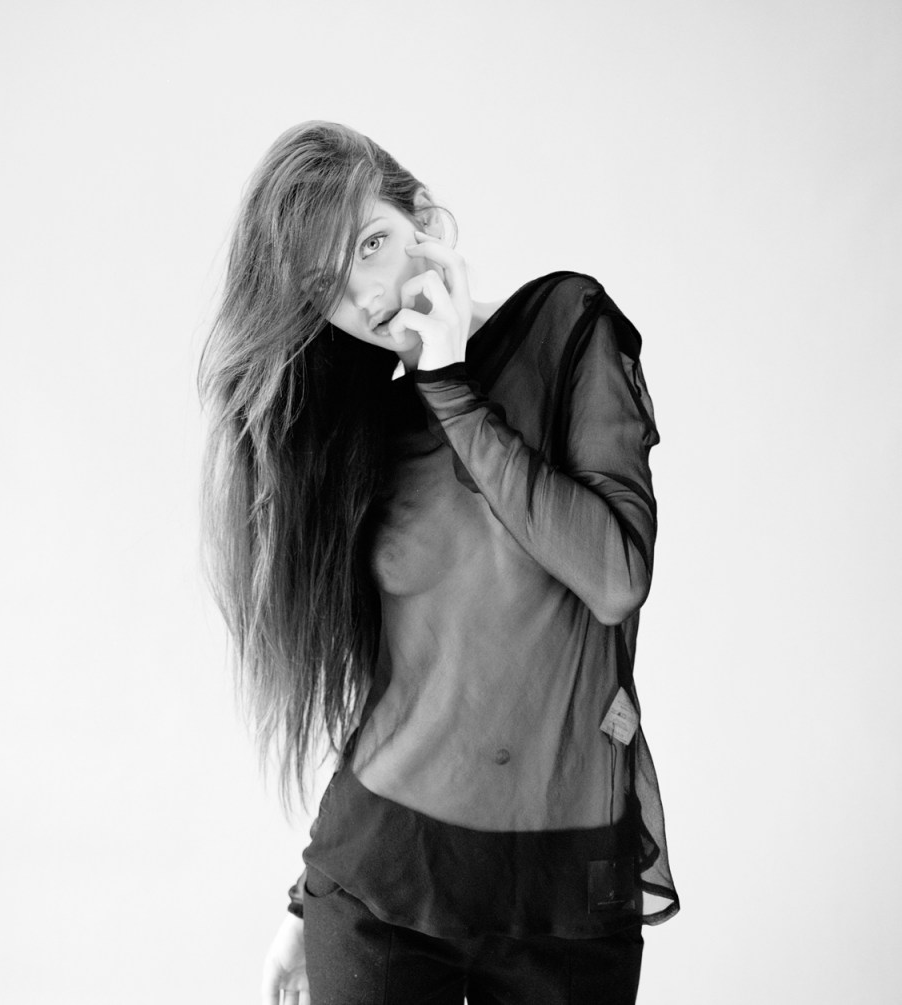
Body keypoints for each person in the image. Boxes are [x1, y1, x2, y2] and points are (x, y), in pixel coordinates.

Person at [199, 120, 679, 1005]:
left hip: (564, 900)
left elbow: (615, 576)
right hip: (380, 884)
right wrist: (307, 897)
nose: (368, 291)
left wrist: (453, 387)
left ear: (426, 220)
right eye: (328, 284)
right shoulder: (373, 435)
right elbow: (407, 687)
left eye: (372, 242)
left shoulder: (567, 328)